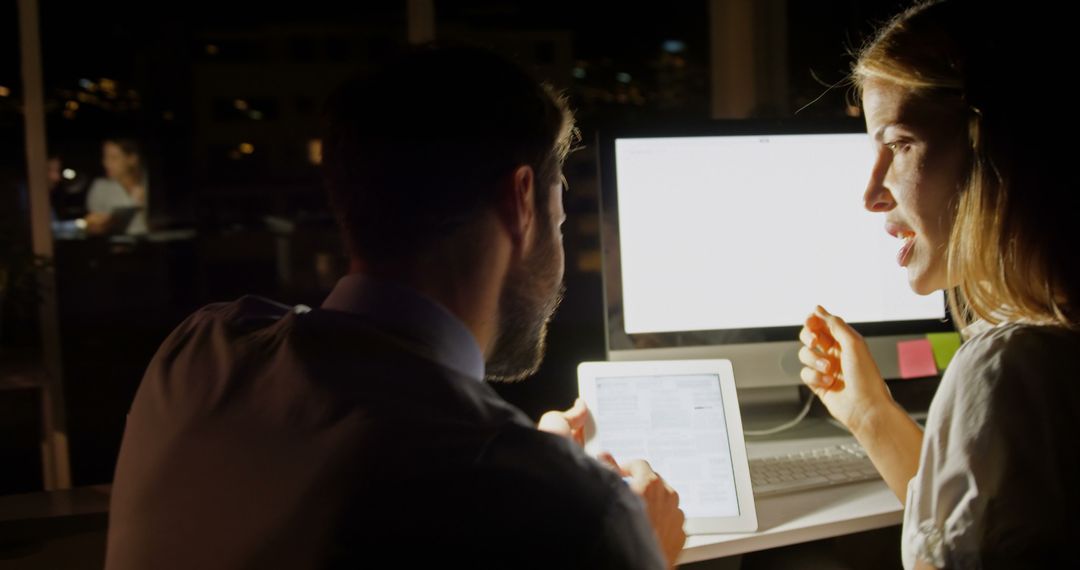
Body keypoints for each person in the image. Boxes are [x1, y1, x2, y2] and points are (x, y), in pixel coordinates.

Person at [105, 45, 684, 569]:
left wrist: (539, 467)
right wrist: (631, 544)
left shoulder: (194, 355)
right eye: (558, 224)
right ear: (521, 202)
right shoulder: (581, 518)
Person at [796, 2, 1079, 568]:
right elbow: (968, 530)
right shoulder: (1048, 343)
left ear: (988, 145)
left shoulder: (1009, 366)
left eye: (899, 144)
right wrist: (869, 412)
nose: (872, 193)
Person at [85, 138, 148, 235]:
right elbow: (93, 226)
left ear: (132, 159)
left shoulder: (147, 184)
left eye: (114, 158)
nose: (106, 163)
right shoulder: (100, 187)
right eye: (105, 157)